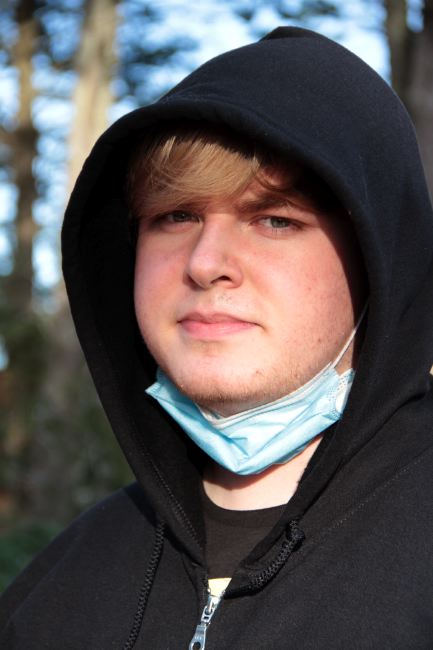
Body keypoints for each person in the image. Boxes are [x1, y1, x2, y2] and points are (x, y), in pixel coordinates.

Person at [1, 25, 433, 649]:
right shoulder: (56, 592)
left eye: (275, 220)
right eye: (175, 216)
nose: (205, 263)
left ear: (378, 262)